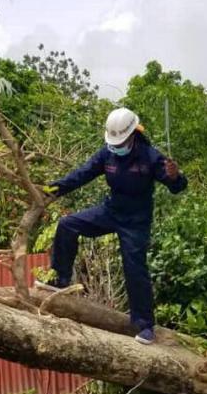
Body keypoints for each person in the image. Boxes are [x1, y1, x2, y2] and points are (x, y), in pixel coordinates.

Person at [41, 108, 187, 345]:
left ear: (132, 136)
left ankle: (144, 325)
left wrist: (174, 176)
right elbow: (83, 173)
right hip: (110, 212)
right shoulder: (107, 154)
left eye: (121, 141)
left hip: (136, 223)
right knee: (68, 225)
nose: (116, 146)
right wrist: (54, 189)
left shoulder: (151, 157)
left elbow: (177, 186)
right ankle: (62, 279)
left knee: (134, 268)